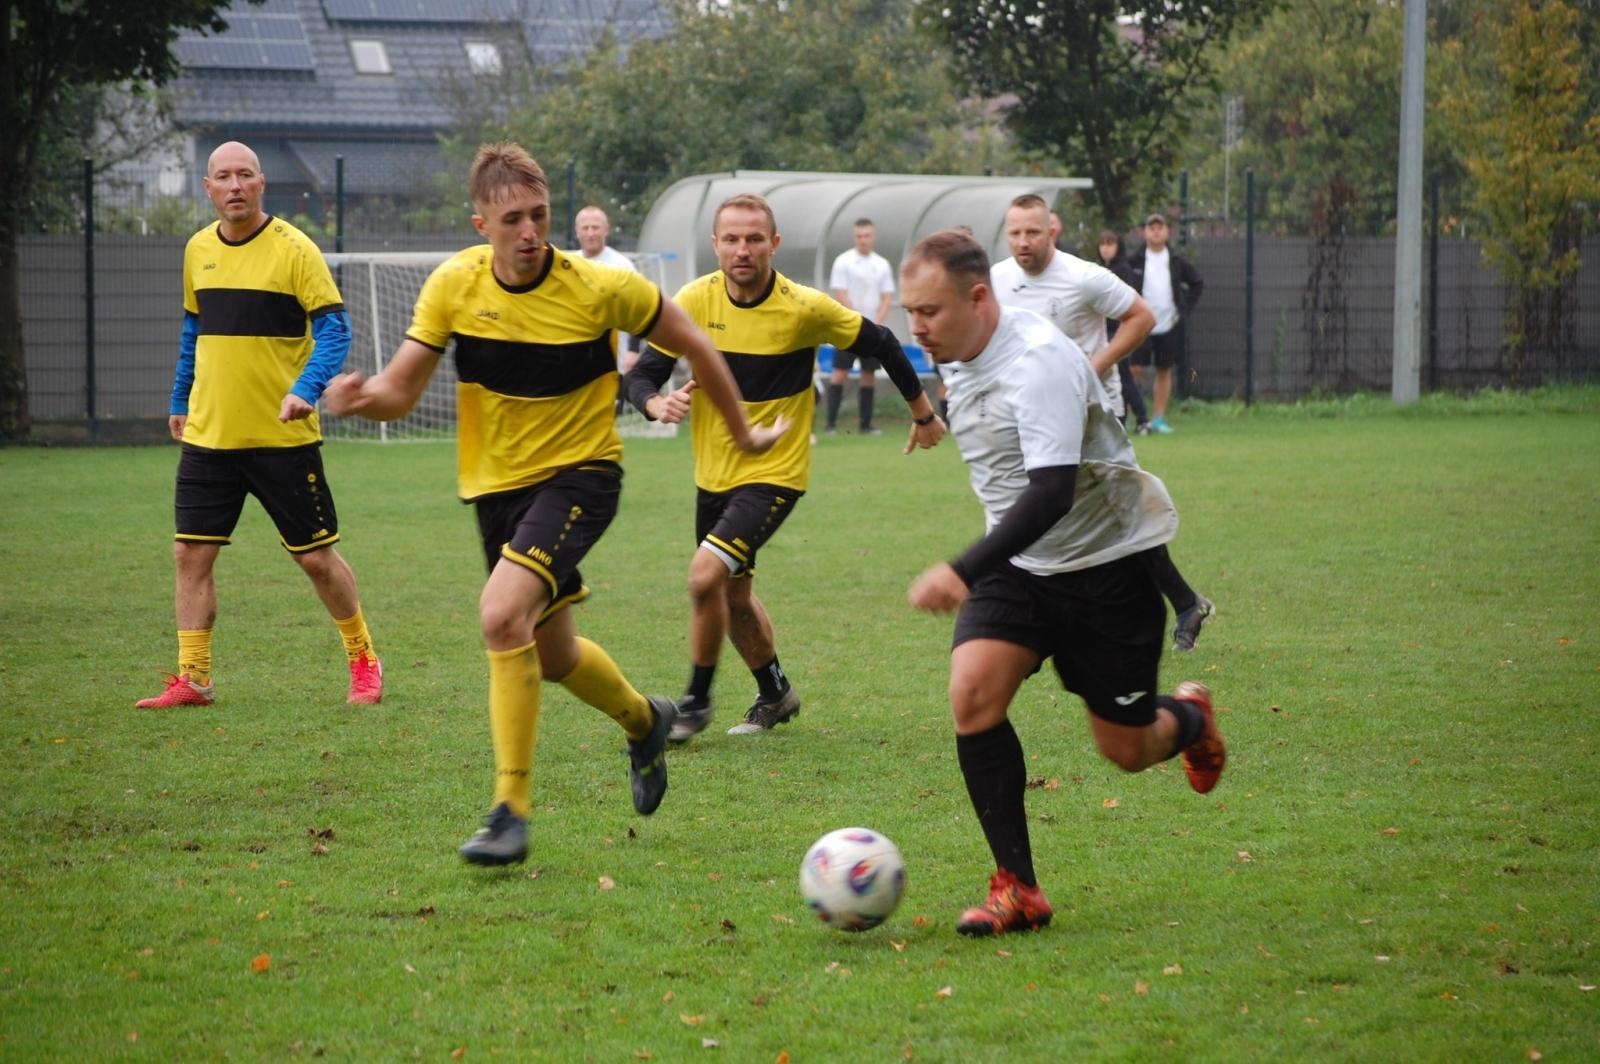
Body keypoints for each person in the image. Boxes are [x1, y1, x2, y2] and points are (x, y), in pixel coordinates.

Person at [323, 143, 787, 866]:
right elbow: (402, 390)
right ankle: (644, 721)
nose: (531, 231)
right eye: (513, 219)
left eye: (541, 215)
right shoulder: (453, 286)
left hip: (581, 477)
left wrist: (744, 432)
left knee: (500, 613)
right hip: (496, 489)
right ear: (482, 223)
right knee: (554, 651)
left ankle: (510, 810)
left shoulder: (599, 288)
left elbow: (695, 340)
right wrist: (359, 402)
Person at [899, 229, 1226, 936]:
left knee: (1128, 751)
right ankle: (1018, 888)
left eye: (929, 312)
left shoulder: (1039, 362)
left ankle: (1192, 717)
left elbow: (1049, 494)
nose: (917, 327)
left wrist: (960, 570)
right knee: (972, 693)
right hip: (1018, 569)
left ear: (978, 298)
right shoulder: (958, 350)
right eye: (910, 312)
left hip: (1104, 568)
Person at [623, 194, 944, 741]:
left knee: (705, 576)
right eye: (732, 239)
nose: (742, 249)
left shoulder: (805, 306)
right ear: (716, 245)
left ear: (772, 244)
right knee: (733, 594)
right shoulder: (693, 300)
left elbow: (884, 342)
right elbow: (642, 375)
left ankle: (694, 705)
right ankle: (776, 694)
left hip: (775, 472)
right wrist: (655, 404)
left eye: (754, 239)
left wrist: (922, 413)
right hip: (713, 475)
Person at [137, 141, 382, 710]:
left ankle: (364, 661)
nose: (235, 186)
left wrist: (304, 389)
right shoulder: (198, 249)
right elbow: (193, 331)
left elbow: (337, 330)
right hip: (209, 436)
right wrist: (181, 396)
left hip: (281, 439)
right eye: (223, 177)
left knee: (315, 558)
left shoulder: (296, 250)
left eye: (245, 174)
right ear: (208, 187)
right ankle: (194, 677)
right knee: (189, 554)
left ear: (262, 183)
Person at [996, 200, 1214, 652]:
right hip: (1036, 417)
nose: (1023, 242)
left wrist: (1092, 367)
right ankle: (1183, 602)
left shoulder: (1082, 276)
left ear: (1050, 231)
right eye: (1015, 233)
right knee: (1072, 515)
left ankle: (1169, 604)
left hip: (1096, 414)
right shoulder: (998, 280)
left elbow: (1142, 318)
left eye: (1032, 232)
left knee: (1113, 515)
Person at [1126, 213, 1204, 434]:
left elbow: (1197, 282)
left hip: (1169, 323)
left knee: (1164, 370)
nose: (1156, 231)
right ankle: (1136, 416)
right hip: (1140, 324)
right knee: (1133, 369)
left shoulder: (1177, 260)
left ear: (1167, 231)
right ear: (1145, 232)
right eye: (1152, 227)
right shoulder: (1134, 261)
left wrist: (1184, 310)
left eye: (1160, 227)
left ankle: (1158, 418)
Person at [824, 218, 897, 435]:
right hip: (848, 327)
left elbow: (886, 297)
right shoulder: (843, 261)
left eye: (866, 236)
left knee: (868, 375)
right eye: (859, 236)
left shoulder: (881, 264)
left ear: (873, 237)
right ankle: (830, 425)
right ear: (854, 237)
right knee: (839, 374)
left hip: (872, 330)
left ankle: (865, 425)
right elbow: (840, 293)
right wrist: (855, 318)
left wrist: (875, 322)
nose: (863, 240)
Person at [574, 205, 645, 375]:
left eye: (595, 227)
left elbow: (637, 307)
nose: (590, 233)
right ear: (577, 232)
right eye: (585, 228)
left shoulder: (622, 266)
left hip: (615, 362)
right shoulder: (570, 265)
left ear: (606, 230)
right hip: (577, 360)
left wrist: (633, 350)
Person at [1095, 229, 1152, 435]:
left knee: (1123, 377)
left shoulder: (1122, 270)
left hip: (1119, 331)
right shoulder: (1099, 271)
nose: (1106, 249)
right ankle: (1127, 419)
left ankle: (1142, 418)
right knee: (1120, 377)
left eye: (1110, 244)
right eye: (1103, 244)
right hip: (1106, 331)